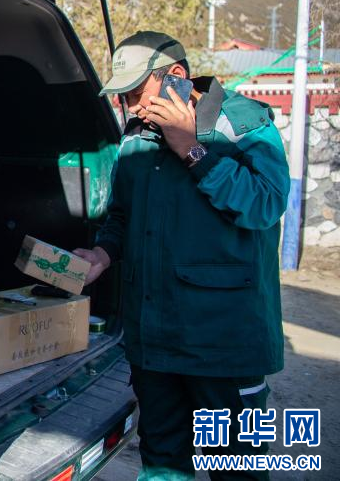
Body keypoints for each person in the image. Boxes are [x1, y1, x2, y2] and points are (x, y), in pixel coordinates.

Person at [74, 31, 290, 481]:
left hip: (223, 346)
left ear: (175, 76)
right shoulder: (137, 136)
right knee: (162, 463)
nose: (130, 106)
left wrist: (191, 148)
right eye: (123, 96)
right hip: (155, 344)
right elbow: (122, 214)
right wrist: (103, 253)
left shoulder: (245, 124)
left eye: (136, 92)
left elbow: (264, 204)